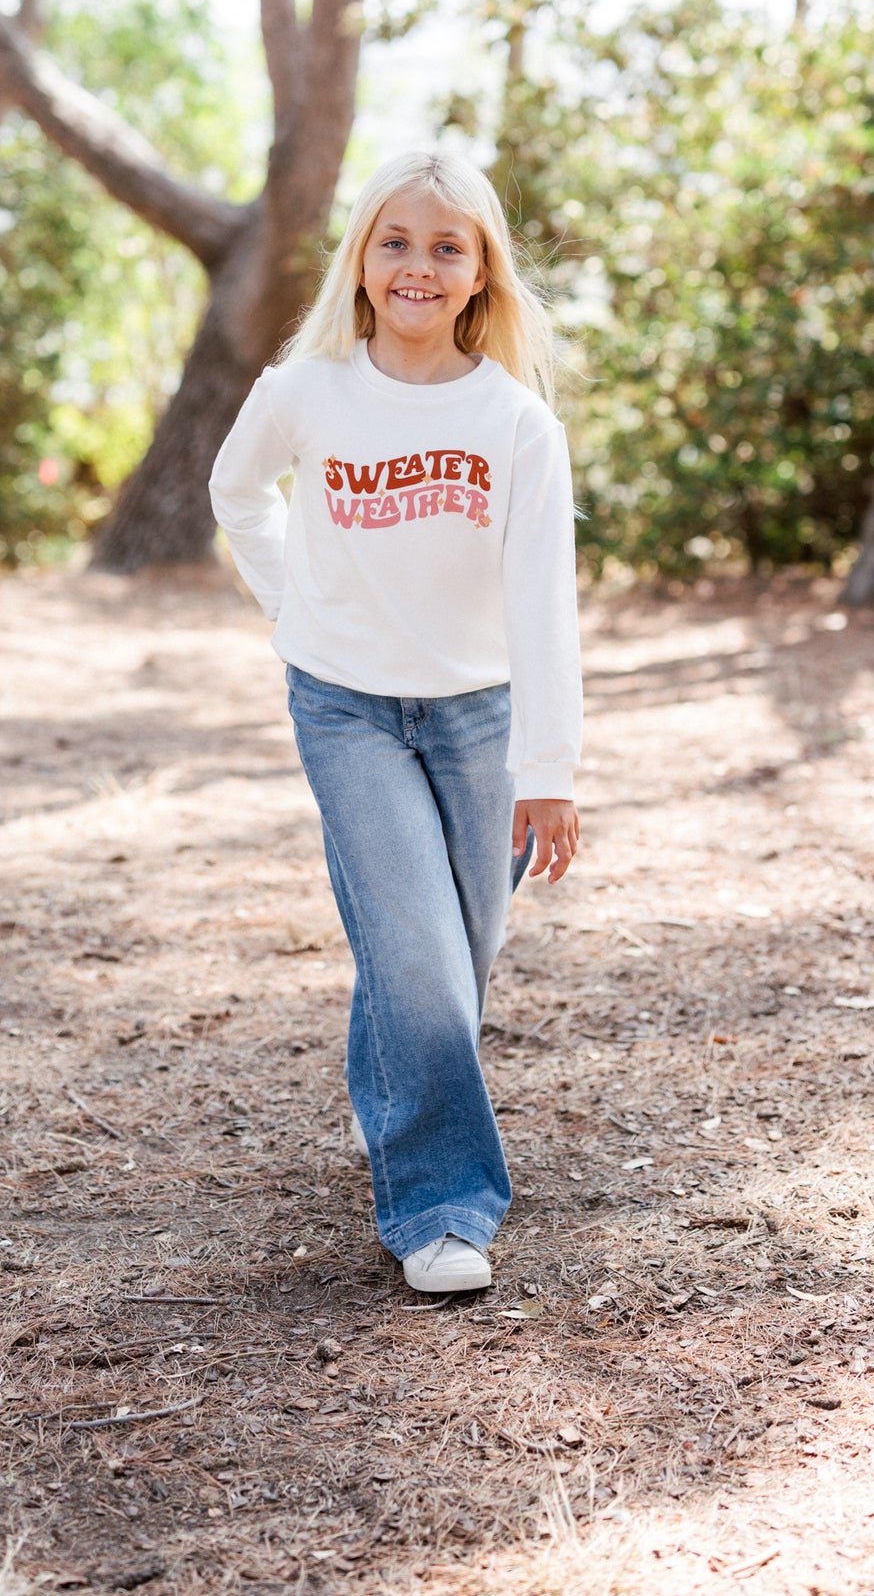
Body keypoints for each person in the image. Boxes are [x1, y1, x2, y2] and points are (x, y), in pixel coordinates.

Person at [209, 148, 582, 1295]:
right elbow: (236, 491)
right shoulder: (306, 391)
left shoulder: (513, 423)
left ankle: (393, 1101)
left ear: (480, 273)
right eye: (395, 241)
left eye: (445, 246)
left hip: (479, 718)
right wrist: (293, 605)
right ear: (361, 260)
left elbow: (542, 602)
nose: (418, 264)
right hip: (345, 707)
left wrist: (549, 767)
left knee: (452, 962)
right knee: (415, 950)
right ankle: (440, 1208)